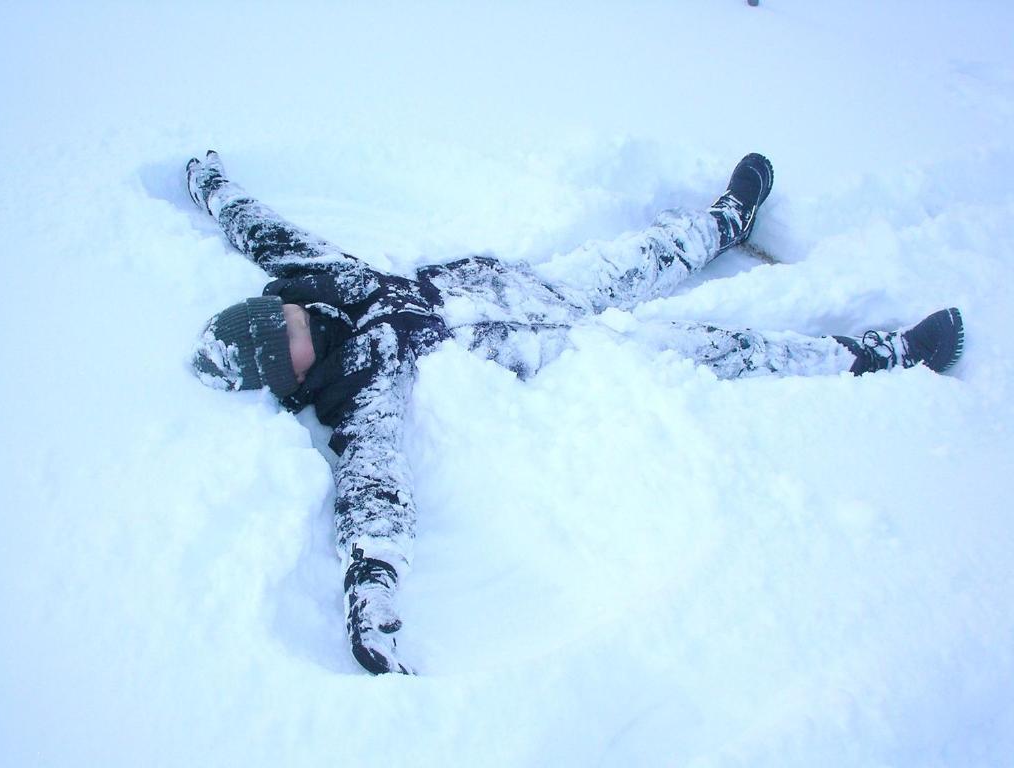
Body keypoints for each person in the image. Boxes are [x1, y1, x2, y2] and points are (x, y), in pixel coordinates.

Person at [186, 151, 964, 675]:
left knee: (644, 255)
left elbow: (264, 229)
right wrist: (371, 596)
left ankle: (727, 221)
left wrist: (213, 189)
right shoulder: (356, 391)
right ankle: (885, 355)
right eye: (281, 348)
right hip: (567, 357)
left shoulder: (317, 279)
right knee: (719, 347)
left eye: (279, 322)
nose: (292, 332)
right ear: (284, 377)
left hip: (524, 289)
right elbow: (373, 492)